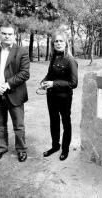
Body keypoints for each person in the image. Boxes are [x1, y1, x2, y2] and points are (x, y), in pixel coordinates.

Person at [0, 23, 30, 163]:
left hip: (15, 94)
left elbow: (25, 73)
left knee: (19, 125)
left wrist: (7, 85)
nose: (7, 36)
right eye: (4, 33)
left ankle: (21, 150)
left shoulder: (22, 51)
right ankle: (1, 148)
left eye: (10, 34)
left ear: (14, 35)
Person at [40, 31, 78, 161]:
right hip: (51, 97)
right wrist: (44, 81)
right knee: (54, 122)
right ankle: (55, 146)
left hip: (64, 97)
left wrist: (53, 83)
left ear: (66, 43)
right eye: (56, 41)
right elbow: (50, 75)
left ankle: (65, 149)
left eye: (61, 41)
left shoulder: (70, 60)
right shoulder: (54, 57)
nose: (58, 43)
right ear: (53, 44)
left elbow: (73, 83)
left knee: (66, 123)